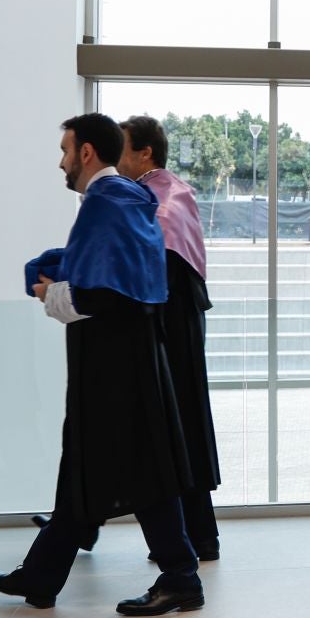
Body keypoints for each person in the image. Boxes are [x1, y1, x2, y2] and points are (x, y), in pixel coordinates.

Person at [0, 114, 203, 615]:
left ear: (86, 153)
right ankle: (41, 577)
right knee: (93, 468)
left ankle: (181, 577)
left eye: (65, 149)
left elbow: (100, 294)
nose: (61, 161)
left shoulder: (106, 205)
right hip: (125, 360)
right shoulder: (128, 201)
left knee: (136, 471)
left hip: (113, 366)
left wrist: (47, 290)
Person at [119, 115, 222, 560]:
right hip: (179, 314)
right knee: (179, 425)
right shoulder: (167, 190)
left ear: (145, 152)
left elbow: (156, 261)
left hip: (170, 319)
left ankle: (194, 537)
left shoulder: (160, 199)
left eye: (120, 147)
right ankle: (196, 535)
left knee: (174, 426)